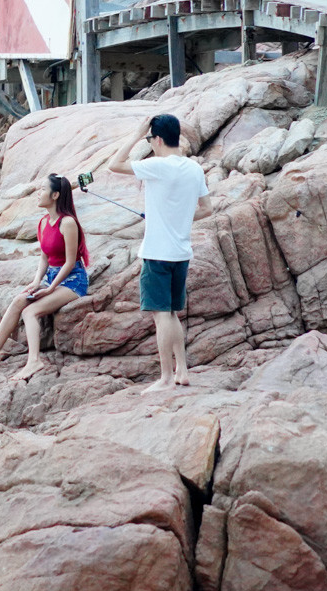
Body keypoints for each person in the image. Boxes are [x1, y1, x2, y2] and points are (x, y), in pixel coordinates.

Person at [108, 114, 213, 393]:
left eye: (149, 139)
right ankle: (182, 371)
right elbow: (207, 209)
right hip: (181, 253)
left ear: (156, 139)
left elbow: (114, 164)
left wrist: (134, 134)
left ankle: (166, 377)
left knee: (161, 315)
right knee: (172, 313)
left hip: (157, 253)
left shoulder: (157, 165)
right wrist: (178, 217)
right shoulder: (194, 169)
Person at [0, 173, 90, 380]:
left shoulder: (68, 223)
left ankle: (34, 361)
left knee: (31, 312)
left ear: (55, 195)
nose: (38, 193)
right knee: (19, 301)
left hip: (72, 280)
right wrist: (36, 282)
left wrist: (50, 288)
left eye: (43, 189)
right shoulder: (44, 222)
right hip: (52, 276)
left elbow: (71, 261)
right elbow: (44, 259)